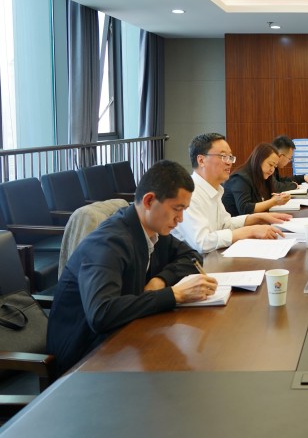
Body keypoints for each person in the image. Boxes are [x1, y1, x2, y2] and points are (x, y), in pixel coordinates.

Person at [46, 160, 220, 375]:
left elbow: (192, 257)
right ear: (149, 201)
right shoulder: (108, 242)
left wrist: (160, 280)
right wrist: (174, 295)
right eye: (177, 209)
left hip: (123, 338)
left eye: (184, 210)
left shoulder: (153, 230)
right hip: (83, 358)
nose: (180, 219)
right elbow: (102, 313)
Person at [172, 133, 289, 253]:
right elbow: (202, 243)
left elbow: (225, 224)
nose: (229, 162)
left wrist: (257, 218)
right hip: (196, 262)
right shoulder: (189, 193)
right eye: (223, 156)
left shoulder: (215, 190)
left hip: (213, 258)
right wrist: (251, 231)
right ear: (201, 160)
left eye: (230, 157)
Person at [222, 142, 291, 216]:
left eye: (275, 166)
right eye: (270, 164)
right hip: (234, 222)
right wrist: (273, 201)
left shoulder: (263, 176)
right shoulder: (240, 178)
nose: (272, 170)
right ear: (259, 160)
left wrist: (277, 198)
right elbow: (245, 209)